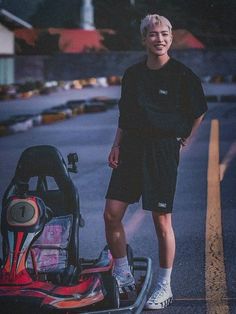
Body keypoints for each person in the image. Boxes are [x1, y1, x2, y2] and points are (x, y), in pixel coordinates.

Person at [104, 14, 207, 310]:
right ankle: (123, 275)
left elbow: (199, 111)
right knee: (111, 213)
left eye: (163, 34)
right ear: (143, 39)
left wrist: (185, 139)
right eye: (152, 34)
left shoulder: (182, 75)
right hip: (132, 147)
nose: (158, 39)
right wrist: (116, 145)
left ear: (171, 38)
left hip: (162, 150)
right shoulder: (133, 75)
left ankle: (165, 286)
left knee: (161, 221)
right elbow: (125, 115)